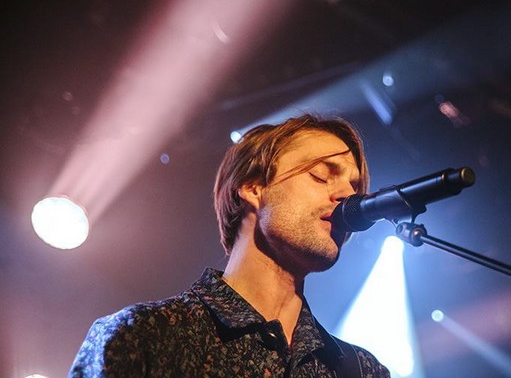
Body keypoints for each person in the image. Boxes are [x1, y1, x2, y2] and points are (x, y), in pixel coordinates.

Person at [69, 114, 391, 377]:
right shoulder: (144, 336)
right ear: (253, 188)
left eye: (354, 187)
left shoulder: (364, 371)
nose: (347, 196)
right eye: (320, 176)